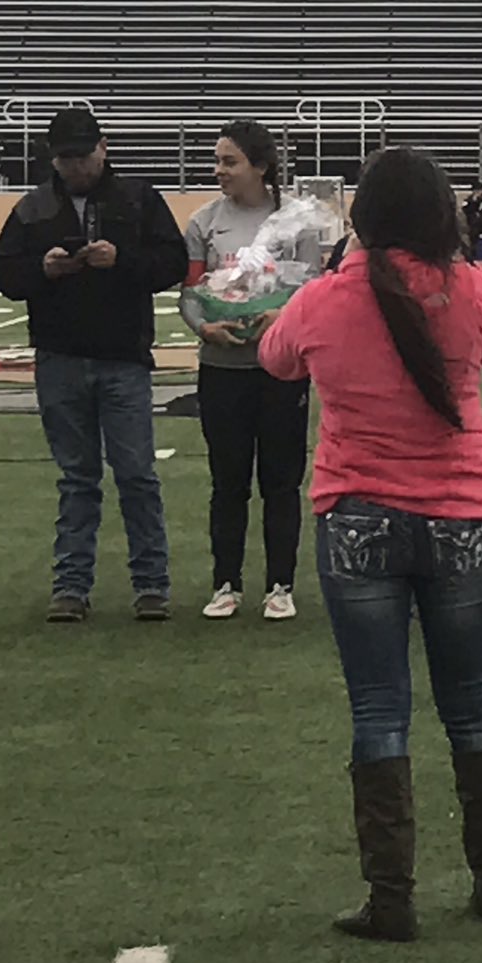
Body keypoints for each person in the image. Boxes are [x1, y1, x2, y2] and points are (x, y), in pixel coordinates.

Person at [259, 147, 482, 942]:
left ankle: (391, 897)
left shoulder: (327, 298)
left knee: (380, 710)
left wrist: (345, 267)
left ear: (362, 218)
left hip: (357, 513)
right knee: (473, 702)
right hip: (459, 511)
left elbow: (276, 360)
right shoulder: (466, 287)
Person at [0, 108, 187, 623]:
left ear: (103, 147)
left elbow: (172, 264)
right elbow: (4, 272)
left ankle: (152, 585)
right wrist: (44, 269)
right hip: (59, 357)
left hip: (124, 358)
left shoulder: (139, 199)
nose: (75, 166)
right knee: (77, 477)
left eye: (81, 155)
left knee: (137, 474)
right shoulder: (33, 207)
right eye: (65, 158)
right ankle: (71, 586)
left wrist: (121, 260)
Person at [184, 121, 321, 623]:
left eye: (229, 161)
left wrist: (282, 318)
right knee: (228, 481)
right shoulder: (203, 223)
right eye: (218, 161)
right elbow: (190, 294)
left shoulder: (298, 223)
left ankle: (280, 585)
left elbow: (313, 290)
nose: (219, 171)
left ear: (260, 167)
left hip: (281, 369)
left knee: (281, 482)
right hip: (222, 367)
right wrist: (205, 328)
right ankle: (226, 583)